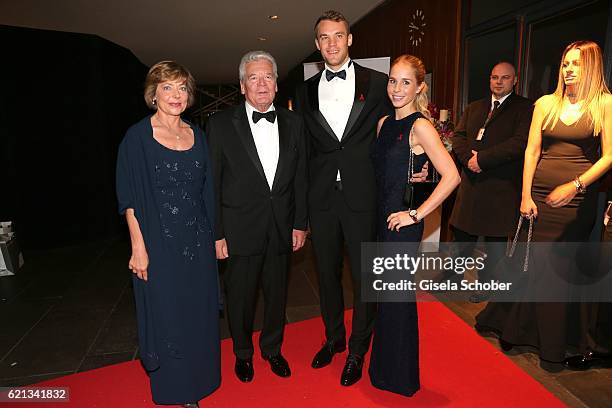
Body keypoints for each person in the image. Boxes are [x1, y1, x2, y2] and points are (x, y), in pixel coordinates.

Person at [476, 40, 612, 372]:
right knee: (528, 262)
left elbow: (609, 156)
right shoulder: (546, 103)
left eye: (576, 64)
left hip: (576, 199)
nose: (568, 69)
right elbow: (532, 152)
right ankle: (515, 327)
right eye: (565, 63)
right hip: (537, 192)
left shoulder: (605, 104)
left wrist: (575, 185)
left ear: (592, 65)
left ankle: (553, 345)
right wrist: (525, 195)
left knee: (554, 267)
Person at [293, 10, 392, 386]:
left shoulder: (379, 83)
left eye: (339, 36)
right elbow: (302, 151)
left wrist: (411, 164)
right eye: (325, 38)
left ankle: (357, 349)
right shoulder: (304, 91)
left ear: (350, 40)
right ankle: (334, 338)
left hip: (363, 194)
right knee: (327, 274)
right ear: (317, 45)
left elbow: (395, 132)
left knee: (365, 278)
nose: (332, 43)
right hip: (321, 198)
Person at [116, 61, 219, 407]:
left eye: (182, 88)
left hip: (197, 241)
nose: (176, 95)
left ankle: (200, 381)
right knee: (168, 316)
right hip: (158, 243)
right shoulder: (137, 138)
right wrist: (137, 247)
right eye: (167, 88)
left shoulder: (197, 134)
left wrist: (215, 237)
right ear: (154, 93)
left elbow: (207, 193)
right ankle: (179, 391)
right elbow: (128, 197)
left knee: (197, 314)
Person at [207, 51, 308, 383]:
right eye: (253, 77)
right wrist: (217, 233)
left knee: (277, 295)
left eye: (268, 77)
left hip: (282, 227)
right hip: (238, 229)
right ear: (242, 85)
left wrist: (299, 223)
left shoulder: (295, 123)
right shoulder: (220, 124)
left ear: (277, 84)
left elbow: (301, 178)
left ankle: (272, 349)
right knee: (240, 297)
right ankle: (242, 353)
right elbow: (213, 183)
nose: (261, 83)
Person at [368, 54, 460, 396]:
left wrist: (415, 214)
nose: (397, 88)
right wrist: (421, 179)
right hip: (382, 220)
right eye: (393, 80)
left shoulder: (421, 125)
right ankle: (386, 371)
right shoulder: (382, 124)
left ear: (420, 87)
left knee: (397, 298)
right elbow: (397, 173)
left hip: (403, 225)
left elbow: (451, 176)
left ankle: (400, 377)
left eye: (406, 82)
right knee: (388, 298)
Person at [450, 62, 533, 303]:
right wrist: (469, 161)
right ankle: (453, 277)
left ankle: (486, 287)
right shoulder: (475, 107)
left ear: (515, 80)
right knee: (462, 238)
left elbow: (520, 143)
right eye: (494, 77)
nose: (498, 82)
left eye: (505, 78)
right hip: (471, 186)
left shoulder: (525, 108)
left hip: (500, 188)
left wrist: (483, 160)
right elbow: (458, 137)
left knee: (494, 247)